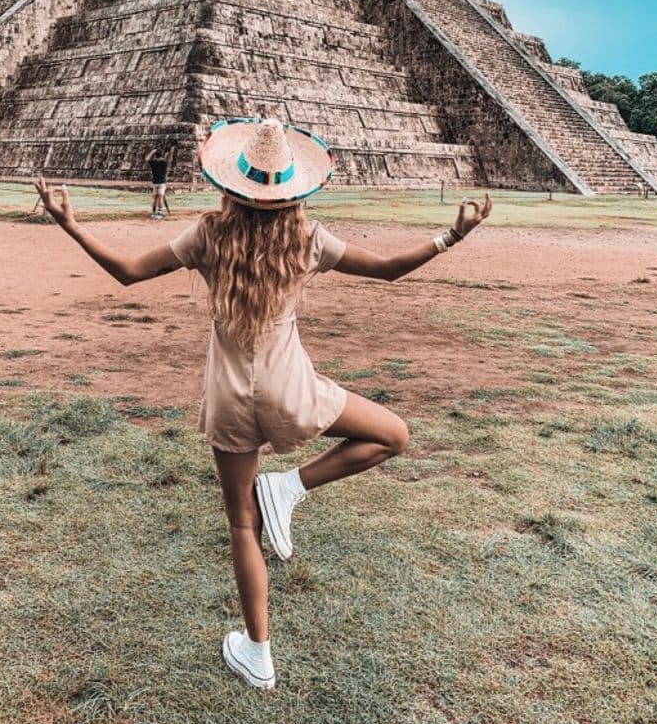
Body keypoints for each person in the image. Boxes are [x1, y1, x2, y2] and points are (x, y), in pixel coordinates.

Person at [34, 117, 491, 691]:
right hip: (292, 389)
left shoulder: (208, 236)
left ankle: (258, 652)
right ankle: (291, 486)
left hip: (228, 397)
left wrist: (71, 224)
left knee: (242, 526)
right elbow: (388, 270)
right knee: (392, 434)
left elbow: (128, 274)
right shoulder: (308, 240)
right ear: (294, 190)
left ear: (233, 185)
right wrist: (453, 235)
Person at [145, 146, 170, 219]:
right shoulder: (164, 162)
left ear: (155, 155)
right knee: (161, 197)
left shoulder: (153, 162)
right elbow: (166, 158)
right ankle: (160, 212)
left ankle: (153, 212)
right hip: (162, 182)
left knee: (155, 197)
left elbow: (147, 159)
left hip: (155, 182)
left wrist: (152, 152)